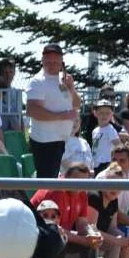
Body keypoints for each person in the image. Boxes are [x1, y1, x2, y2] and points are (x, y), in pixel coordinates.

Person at [30, 162, 108, 258]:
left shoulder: (81, 193)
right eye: (76, 180)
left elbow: (82, 223)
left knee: (90, 243)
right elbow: (53, 229)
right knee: (61, 241)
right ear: (65, 177)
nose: (80, 185)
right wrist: (84, 240)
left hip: (59, 235)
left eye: (83, 182)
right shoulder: (56, 191)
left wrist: (91, 234)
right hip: (39, 238)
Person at [26, 43, 80, 178]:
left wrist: (71, 89)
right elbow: (33, 110)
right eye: (48, 61)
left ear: (62, 62)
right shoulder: (37, 81)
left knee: (57, 179)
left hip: (62, 139)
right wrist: (62, 116)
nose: (52, 65)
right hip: (44, 140)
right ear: (42, 61)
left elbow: (77, 104)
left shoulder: (64, 79)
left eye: (56, 62)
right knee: (47, 180)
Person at [88, 163, 129, 258]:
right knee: (110, 242)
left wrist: (121, 237)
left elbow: (112, 227)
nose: (115, 188)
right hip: (86, 236)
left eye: (119, 185)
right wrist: (117, 239)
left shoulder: (113, 200)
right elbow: (91, 229)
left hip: (100, 237)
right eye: (111, 183)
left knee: (118, 243)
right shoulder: (94, 197)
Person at [0, 58, 22, 131]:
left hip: (12, 133)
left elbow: (19, 116)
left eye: (11, 72)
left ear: (14, 73)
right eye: (5, 72)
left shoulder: (16, 92)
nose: (8, 75)